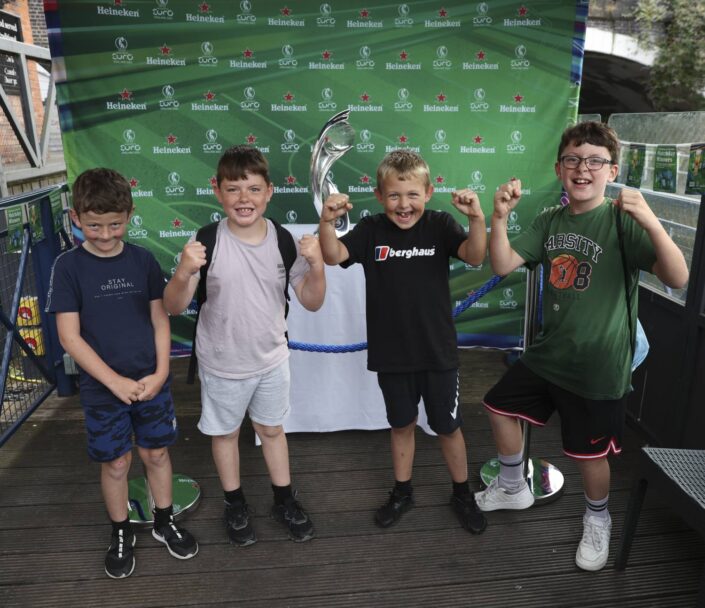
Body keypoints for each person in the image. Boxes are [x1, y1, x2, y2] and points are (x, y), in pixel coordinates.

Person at [476, 121, 689, 571]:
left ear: (612, 171)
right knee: (497, 406)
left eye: (594, 161)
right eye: (573, 159)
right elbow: (503, 262)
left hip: (597, 368)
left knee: (589, 454)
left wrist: (650, 219)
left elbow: (678, 277)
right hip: (549, 354)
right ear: (559, 168)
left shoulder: (621, 220)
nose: (582, 168)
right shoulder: (550, 220)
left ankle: (598, 520)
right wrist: (497, 217)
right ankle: (513, 487)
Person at [318, 149, 488, 534]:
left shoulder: (441, 224)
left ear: (428, 193)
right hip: (391, 353)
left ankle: (462, 492)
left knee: (447, 426)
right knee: (401, 424)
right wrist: (327, 223)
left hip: (437, 352)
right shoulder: (371, 228)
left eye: (412, 194)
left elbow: (476, 255)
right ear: (380, 196)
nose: (403, 204)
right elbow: (333, 257)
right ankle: (402, 491)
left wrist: (477, 218)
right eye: (394, 195)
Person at [163, 145, 325, 545]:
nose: (244, 199)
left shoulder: (284, 241)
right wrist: (184, 271)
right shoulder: (204, 242)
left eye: (253, 189)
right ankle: (234, 503)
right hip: (221, 365)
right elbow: (172, 305)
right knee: (226, 436)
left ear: (269, 192)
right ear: (217, 192)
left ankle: (284, 499)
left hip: (271, 360)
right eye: (233, 189)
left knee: (272, 430)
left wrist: (318, 265)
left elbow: (312, 300)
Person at [46, 168, 198, 579]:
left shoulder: (143, 260)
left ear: (130, 215)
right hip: (102, 389)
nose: (106, 233)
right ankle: (119, 531)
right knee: (115, 463)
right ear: (76, 218)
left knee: (157, 453)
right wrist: (113, 381)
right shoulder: (67, 267)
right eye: (94, 225)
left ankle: (164, 519)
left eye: (115, 224)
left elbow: (160, 318)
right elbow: (69, 337)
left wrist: (162, 370)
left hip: (152, 382)